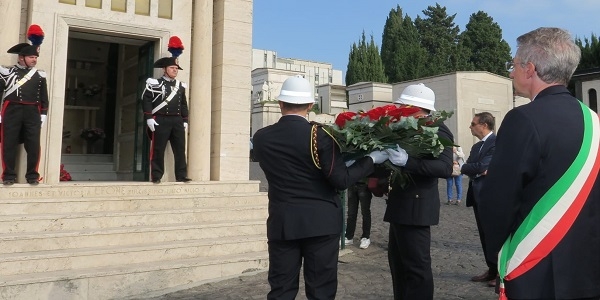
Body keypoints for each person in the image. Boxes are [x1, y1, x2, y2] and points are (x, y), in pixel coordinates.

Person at [480, 27, 600, 300]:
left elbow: (498, 200)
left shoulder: (522, 119)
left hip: (538, 268)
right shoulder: (594, 119)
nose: (510, 72)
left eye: (513, 65)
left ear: (529, 69)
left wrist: (499, 255)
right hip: (589, 268)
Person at [253, 75, 389, 300]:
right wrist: (370, 160)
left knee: (281, 289)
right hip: (320, 223)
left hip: (283, 221)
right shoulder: (320, 135)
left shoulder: (261, 138)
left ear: (280, 104)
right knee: (321, 291)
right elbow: (341, 180)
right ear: (310, 105)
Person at [384, 83, 453, 300]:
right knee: (398, 265)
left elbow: (444, 168)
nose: (399, 111)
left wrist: (407, 162)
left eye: (404, 107)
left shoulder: (438, 129)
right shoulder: (408, 128)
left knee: (416, 268)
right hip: (401, 205)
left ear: (416, 107)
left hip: (416, 207)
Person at [0, 24, 48, 185]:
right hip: (11, 109)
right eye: (31, 57)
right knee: (8, 143)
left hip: (33, 111)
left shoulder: (40, 75)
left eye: (35, 57)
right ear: (21, 57)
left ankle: (33, 175)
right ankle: (8, 176)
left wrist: (43, 114)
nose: (34, 60)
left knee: (33, 145)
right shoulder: (7, 72)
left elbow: (43, 97)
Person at [142, 36, 191, 184]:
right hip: (160, 119)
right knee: (158, 149)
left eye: (176, 69)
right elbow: (146, 100)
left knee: (180, 150)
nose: (175, 71)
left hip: (176, 120)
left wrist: (185, 120)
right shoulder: (154, 83)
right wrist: (149, 117)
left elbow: (183, 104)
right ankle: (156, 176)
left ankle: (181, 175)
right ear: (165, 69)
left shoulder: (180, 86)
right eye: (172, 68)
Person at [460, 112, 497, 287]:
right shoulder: (476, 147)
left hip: (491, 195)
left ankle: (500, 272)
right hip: (476, 194)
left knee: (494, 234)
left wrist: (473, 168)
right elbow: (466, 166)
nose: (470, 127)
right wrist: (474, 169)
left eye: (473, 123)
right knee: (483, 234)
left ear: (483, 125)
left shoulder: (496, 142)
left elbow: (482, 166)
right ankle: (491, 269)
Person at [344, 179, 373, 249]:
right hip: (352, 183)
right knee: (351, 213)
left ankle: (366, 237)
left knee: (365, 212)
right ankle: (349, 236)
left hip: (364, 183)